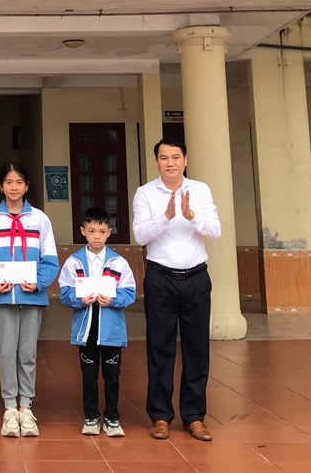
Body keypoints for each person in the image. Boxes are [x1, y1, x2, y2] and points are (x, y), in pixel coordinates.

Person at [132, 137, 221, 442]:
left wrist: (191, 215)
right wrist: (167, 216)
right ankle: (160, 415)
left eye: (175, 157)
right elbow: (140, 235)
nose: (170, 162)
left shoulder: (201, 190)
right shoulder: (145, 193)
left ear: (185, 160)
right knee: (160, 347)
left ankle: (194, 417)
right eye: (163, 157)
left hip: (196, 278)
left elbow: (216, 231)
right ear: (157, 162)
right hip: (160, 278)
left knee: (197, 348)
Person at [0, 162, 59, 438]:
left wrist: (39, 282)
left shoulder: (40, 219)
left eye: (19, 182)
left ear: (27, 186)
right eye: (9, 182)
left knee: (27, 354)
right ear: (1, 186)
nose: (14, 187)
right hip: (2, 297)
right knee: (6, 352)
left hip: (32, 296)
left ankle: (26, 407)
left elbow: (50, 259)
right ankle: (10, 408)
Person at [58, 207, 136, 437]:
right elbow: (64, 292)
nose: (97, 236)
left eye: (102, 232)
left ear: (109, 233)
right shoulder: (74, 262)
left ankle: (112, 418)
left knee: (112, 376)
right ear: (83, 231)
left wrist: (113, 300)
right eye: (91, 231)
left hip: (111, 331)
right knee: (89, 376)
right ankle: (91, 417)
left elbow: (130, 292)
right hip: (86, 331)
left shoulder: (119, 262)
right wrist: (80, 300)